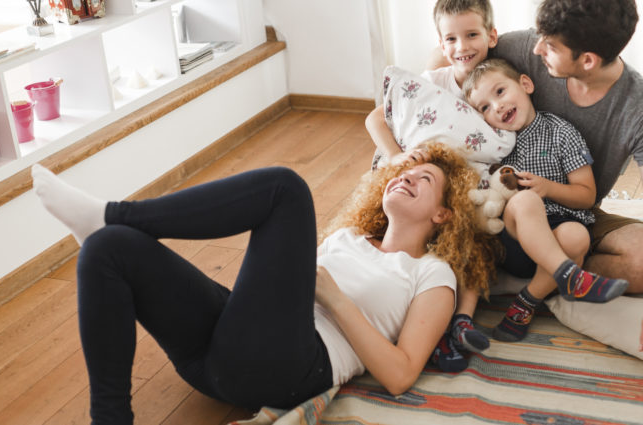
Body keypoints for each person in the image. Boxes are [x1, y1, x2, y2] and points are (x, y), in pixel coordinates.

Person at [30, 141, 494, 424]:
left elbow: (400, 374)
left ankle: (114, 213)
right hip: (220, 353)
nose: (406, 177)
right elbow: (272, 291)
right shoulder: (350, 237)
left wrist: (331, 295)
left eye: (424, 179)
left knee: (285, 190)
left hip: (293, 366)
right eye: (404, 172)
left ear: (443, 214)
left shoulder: (433, 273)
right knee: (107, 249)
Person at [489, 0, 643, 375]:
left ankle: (550, 273)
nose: (536, 49)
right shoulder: (533, 48)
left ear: (588, 61)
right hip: (509, 204)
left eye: (549, 46)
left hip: (573, 211)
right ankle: (555, 272)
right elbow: (453, 49)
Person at [461, 58, 629, 345]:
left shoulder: (560, 132)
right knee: (525, 202)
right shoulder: (491, 145)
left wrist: (548, 188)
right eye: (484, 108)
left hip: (559, 226)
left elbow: (587, 194)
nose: (497, 107)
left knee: (576, 236)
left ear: (525, 84)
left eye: (500, 92)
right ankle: (569, 275)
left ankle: (526, 303)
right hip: (513, 237)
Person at [366, 0, 499, 168]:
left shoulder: (500, 85)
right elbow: (374, 119)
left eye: (472, 35)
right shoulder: (432, 82)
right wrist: (395, 156)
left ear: (492, 37)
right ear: (442, 46)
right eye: (451, 39)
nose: (462, 47)